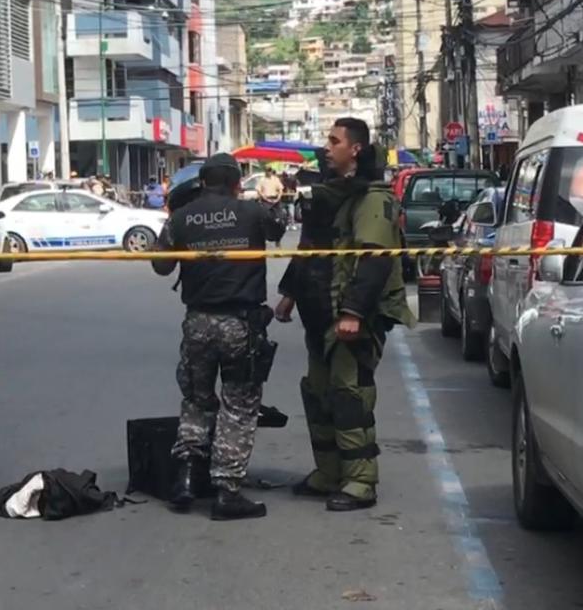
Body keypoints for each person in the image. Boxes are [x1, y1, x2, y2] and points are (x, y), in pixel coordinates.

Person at [275, 118, 415, 512]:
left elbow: (374, 261)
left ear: (355, 148)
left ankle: (360, 481)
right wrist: (288, 294)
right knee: (318, 394)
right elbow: (309, 249)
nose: (327, 146)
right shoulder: (328, 195)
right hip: (319, 311)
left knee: (349, 394)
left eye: (334, 141)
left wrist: (353, 312)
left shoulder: (373, 198)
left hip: (350, 316)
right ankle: (328, 473)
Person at [152, 153, 287, 521]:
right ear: (235, 183)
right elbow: (278, 228)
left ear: (202, 182)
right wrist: (271, 201)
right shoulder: (251, 212)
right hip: (239, 323)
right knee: (239, 404)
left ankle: (186, 478)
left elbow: (161, 265)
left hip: (197, 322)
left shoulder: (181, 217)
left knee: (197, 400)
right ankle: (227, 491)